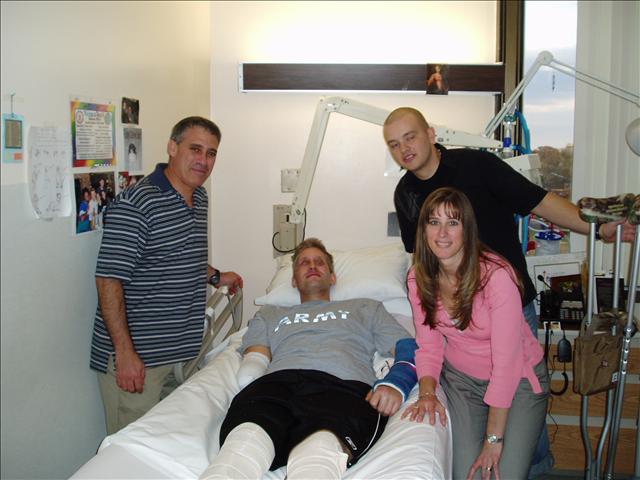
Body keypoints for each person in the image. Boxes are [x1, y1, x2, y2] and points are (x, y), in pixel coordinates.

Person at [383, 107, 635, 476]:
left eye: (410, 137)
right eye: (394, 144)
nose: (404, 148)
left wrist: (597, 229)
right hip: (461, 332)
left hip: (508, 304)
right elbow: (421, 256)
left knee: (521, 421)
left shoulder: (477, 166)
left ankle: (532, 468)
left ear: (431, 134)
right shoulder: (405, 194)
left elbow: (539, 201)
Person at [200, 238, 417, 480]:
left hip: (343, 389)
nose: (312, 266)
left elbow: (408, 348)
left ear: (332, 277)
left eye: (320, 262)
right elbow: (255, 358)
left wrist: (397, 382)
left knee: (319, 450)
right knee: (244, 444)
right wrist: (249, 376)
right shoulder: (270, 313)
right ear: (294, 280)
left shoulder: (366, 308)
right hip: (276, 386)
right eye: (304, 263)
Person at [90, 116, 243, 435]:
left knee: (170, 444)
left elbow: (180, 255)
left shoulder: (199, 197)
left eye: (211, 153)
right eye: (195, 149)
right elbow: (108, 280)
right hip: (139, 359)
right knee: (133, 450)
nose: (203, 161)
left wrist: (216, 277)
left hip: (181, 354)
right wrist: (125, 354)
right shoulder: (137, 204)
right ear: (172, 147)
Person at [403, 187, 549, 479]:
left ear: (467, 229)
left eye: (452, 222)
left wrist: (493, 440)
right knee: (465, 474)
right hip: (463, 383)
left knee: (502, 473)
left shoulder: (496, 277)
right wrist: (427, 392)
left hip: (518, 382)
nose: (442, 233)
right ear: (423, 229)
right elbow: (429, 346)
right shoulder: (418, 279)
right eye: (434, 222)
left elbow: (506, 363)